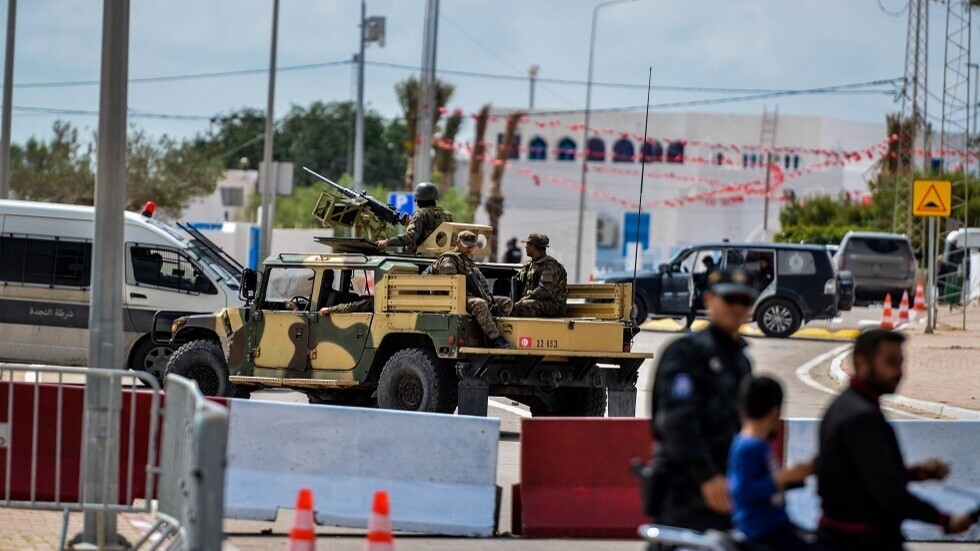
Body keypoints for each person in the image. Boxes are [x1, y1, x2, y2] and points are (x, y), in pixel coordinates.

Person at [816, 330, 973, 550]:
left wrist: (915, 473)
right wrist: (944, 520)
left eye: (900, 362)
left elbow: (863, 475)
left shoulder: (844, 404)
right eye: (890, 362)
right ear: (861, 363)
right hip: (863, 541)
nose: (898, 372)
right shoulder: (863, 417)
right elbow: (888, 493)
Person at [647, 268, 757, 532]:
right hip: (685, 492)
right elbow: (676, 423)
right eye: (729, 299)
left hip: (727, 490)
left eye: (745, 301)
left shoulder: (741, 362)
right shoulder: (686, 353)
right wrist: (707, 477)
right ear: (709, 300)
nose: (737, 307)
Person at [729, 375, 822, 550]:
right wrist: (781, 478)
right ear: (774, 412)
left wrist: (797, 475)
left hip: (776, 525)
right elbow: (742, 490)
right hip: (761, 532)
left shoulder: (761, 444)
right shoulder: (749, 447)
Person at [429, 230, 513, 348]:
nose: (470, 249)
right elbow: (449, 286)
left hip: (469, 295)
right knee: (480, 304)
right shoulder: (449, 260)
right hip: (454, 298)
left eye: (472, 246)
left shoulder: (468, 260)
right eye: (467, 246)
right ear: (458, 243)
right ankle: (495, 339)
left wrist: (488, 297)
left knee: (505, 302)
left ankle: (494, 330)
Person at [376, 182, 453, 254]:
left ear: (418, 199)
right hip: (440, 255)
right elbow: (431, 229)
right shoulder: (447, 214)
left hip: (420, 256)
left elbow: (410, 237)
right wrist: (411, 224)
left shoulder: (421, 214)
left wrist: (387, 242)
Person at [511, 233, 568, 318]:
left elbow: (544, 290)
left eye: (527, 245)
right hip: (539, 302)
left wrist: (524, 299)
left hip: (554, 306)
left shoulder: (550, 266)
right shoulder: (531, 264)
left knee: (524, 306)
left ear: (533, 247)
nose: (525, 247)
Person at [685, 255, 717, 330]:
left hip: (709, 294)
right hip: (708, 293)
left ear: (709, 263)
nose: (705, 266)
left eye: (705, 264)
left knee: (694, 305)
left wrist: (697, 283)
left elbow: (706, 281)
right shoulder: (711, 270)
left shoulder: (712, 271)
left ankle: (688, 325)